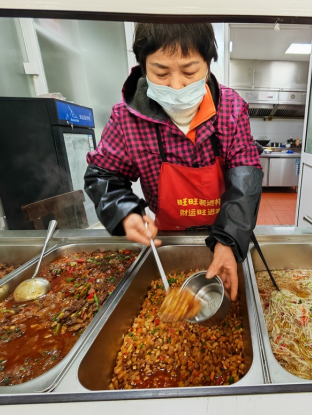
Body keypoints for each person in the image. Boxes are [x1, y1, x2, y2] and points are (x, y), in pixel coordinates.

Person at [84, 23, 263, 301]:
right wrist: (124, 212)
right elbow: (104, 175)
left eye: (189, 72)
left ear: (208, 65)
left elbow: (246, 174)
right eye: (161, 72)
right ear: (143, 67)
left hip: (227, 231)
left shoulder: (231, 107)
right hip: (168, 237)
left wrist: (229, 240)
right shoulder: (126, 117)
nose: (176, 85)